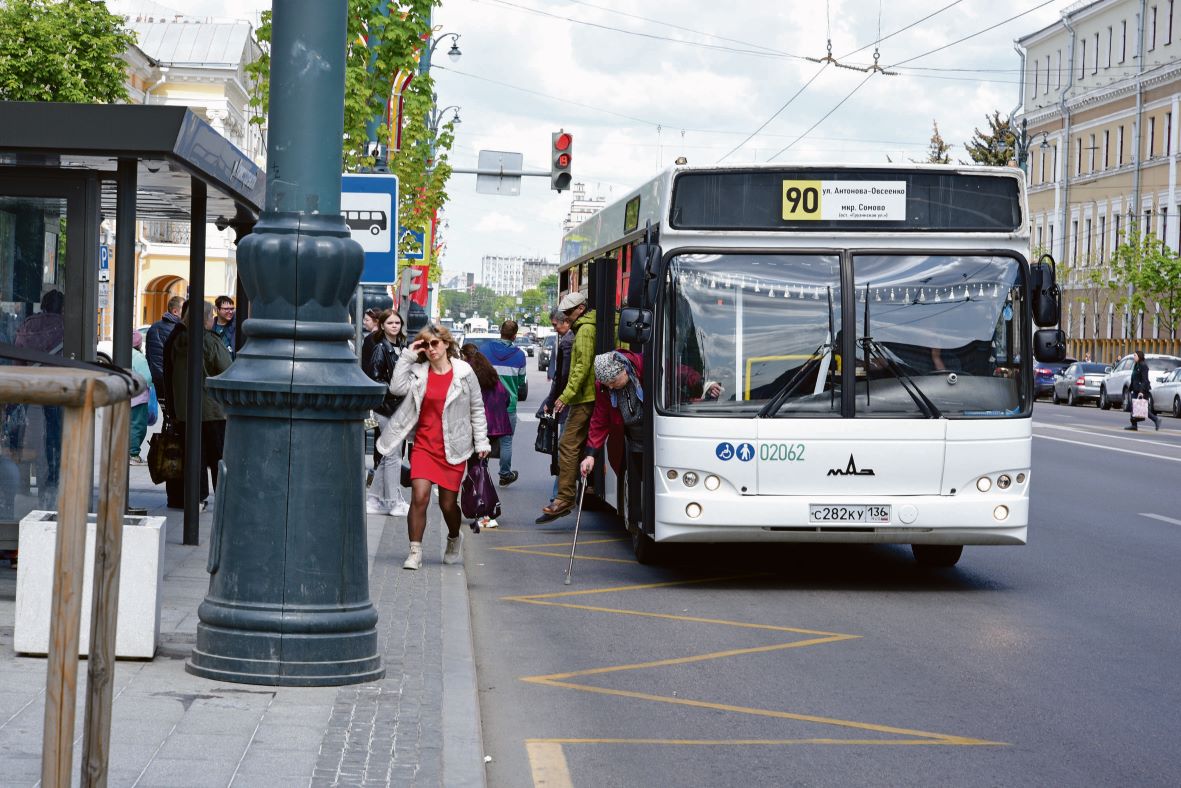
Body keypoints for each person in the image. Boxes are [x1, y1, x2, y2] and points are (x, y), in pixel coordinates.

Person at [376, 325, 490, 570]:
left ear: (446, 344)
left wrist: (481, 441)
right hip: (424, 446)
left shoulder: (464, 372)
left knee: (448, 504)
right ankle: (415, 551)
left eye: (435, 344)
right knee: (419, 496)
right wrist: (408, 354)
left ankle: (453, 537)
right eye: (425, 345)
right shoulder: (419, 372)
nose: (430, 349)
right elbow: (396, 388)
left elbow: (477, 408)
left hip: (454, 447)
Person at [167, 300, 232, 510]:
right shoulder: (209, 341)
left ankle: (198, 497)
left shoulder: (178, 340)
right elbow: (227, 370)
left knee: (195, 457)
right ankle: (223, 497)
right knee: (217, 457)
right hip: (211, 410)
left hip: (185, 411)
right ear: (205, 318)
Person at [542, 292, 596, 520]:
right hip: (588, 394)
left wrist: (565, 396)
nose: (565, 316)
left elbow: (581, 367)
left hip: (584, 397)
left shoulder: (583, 331)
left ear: (580, 309)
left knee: (567, 444)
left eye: (568, 312)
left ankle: (564, 497)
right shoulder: (588, 326)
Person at [461, 343, 511, 529]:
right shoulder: (493, 378)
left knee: (475, 469)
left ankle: (481, 509)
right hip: (493, 430)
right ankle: (482, 507)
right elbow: (506, 398)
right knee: (482, 467)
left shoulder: (471, 380)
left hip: (475, 430)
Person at [365, 309, 410, 517]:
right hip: (387, 407)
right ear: (382, 325)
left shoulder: (401, 346)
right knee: (393, 454)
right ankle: (392, 501)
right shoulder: (381, 348)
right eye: (390, 323)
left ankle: (374, 500)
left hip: (399, 407)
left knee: (388, 455)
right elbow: (374, 377)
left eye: (397, 323)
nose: (394, 326)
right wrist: (393, 389)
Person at [578, 350, 645, 479]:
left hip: (655, 435)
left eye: (613, 382)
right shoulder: (605, 387)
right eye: (607, 384)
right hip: (634, 441)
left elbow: (678, 373)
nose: (611, 387)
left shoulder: (643, 366)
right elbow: (600, 420)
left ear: (624, 370)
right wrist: (590, 455)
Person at [536, 308, 574, 522]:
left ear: (566, 322)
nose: (555, 329)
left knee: (564, 449)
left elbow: (562, 377)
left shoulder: (568, 342)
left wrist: (550, 402)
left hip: (567, 403)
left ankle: (559, 497)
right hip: (568, 401)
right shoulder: (569, 339)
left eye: (555, 325)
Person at [480, 320, 527, 487]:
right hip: (508, 405)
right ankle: (505, 474)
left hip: (485, 405)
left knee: (482, 438)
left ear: (500, 331)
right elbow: (521, 381)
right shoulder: (520, 355)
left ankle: (481, 471)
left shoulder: (484, 350)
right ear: (514, 336)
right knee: (506, 441)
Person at [146, 296, 184, 396]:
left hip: (157, 379)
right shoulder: (178, 330)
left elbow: (149, 356)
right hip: (170, 380)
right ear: (175, 311)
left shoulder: (154, 327)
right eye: (184, 309)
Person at [129, 329, 154, 463]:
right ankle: (133, 454)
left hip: (125, 396)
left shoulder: (122, 354)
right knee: (137, 425)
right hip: (138, 397)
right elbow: (147, 377)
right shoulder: (138, 357)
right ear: (139, 344)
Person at [1126, 349, 1161, 431]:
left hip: (1142, 391)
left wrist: (1141, 392)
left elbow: (1145, 380)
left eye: (1135, 355)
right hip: (1135, 390)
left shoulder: (1143, 366)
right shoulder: (1136, 365)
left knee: (1142, 409)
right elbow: (1134, 378)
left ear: (1139, 356)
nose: (1133, 357)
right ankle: (1134, 425)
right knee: (1133, 407)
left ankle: (1156, 419)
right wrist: (1130, 388)